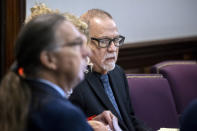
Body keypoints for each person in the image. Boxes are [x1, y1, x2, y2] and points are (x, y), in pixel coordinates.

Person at [0, 13, 109, 131]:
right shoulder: (62, 115)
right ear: (48, 58)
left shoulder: (23, 99)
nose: (87, 53)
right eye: (77, 44)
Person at [69, 9, 152, 131]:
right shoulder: (75, 83)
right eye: (104, 41)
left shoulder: (117, 72)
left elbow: (129, 118)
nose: (113, 48)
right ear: (84, 43)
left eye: (116, 40)